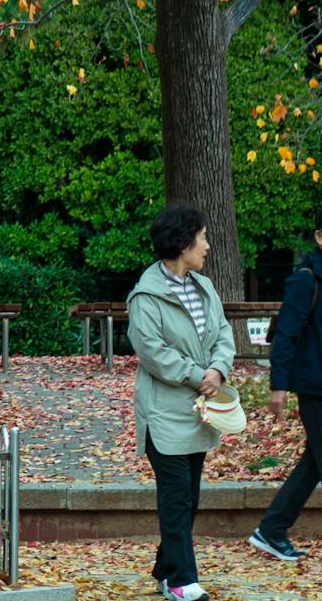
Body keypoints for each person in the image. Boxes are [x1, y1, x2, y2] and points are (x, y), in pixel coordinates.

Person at [129, 203, 234, 601]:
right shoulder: (146, 295)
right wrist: (197, 375)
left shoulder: (203, 287)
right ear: (183, 242)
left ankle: (164, 569)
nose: (207, 245)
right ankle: (181, 581)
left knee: (187, 501)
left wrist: (219, 370)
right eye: (202, 237)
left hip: (199, 412)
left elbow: (223, 333)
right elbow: (152, 352)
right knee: (175, 499)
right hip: (164, 413)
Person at [248, 206, 322, 561]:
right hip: (315, 388)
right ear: (320, 237)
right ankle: (271, 529)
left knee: (314, 462)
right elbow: (285, 336)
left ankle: (271, 529)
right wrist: (278, 387)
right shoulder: (305, 279)